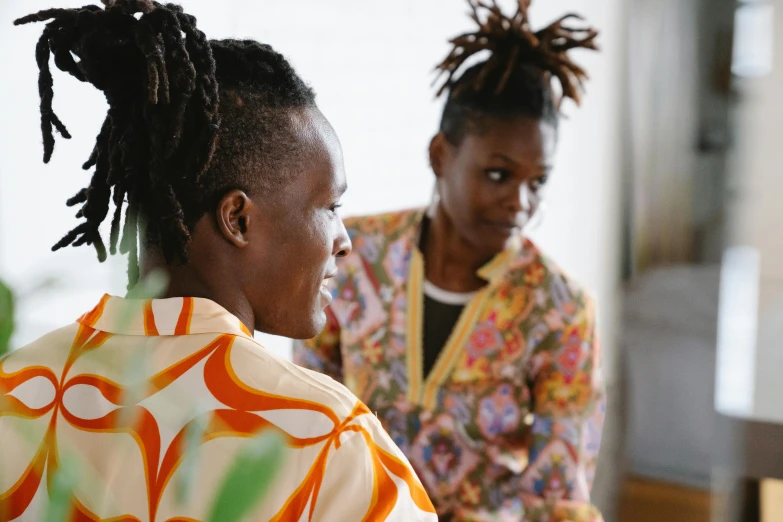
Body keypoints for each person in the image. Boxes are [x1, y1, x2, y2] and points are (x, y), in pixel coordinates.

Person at [0, 1, 437, 520]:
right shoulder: (330, 441)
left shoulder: (17, 391)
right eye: (330, 206)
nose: (343, 240)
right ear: (238, 219)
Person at [294, 1, 605, 520]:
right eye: (500, 174)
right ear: (441, 154)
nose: (521, 203)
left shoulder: (561, 310)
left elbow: (558, 497)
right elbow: (310, 416)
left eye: (538, 182)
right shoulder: (351, 256)